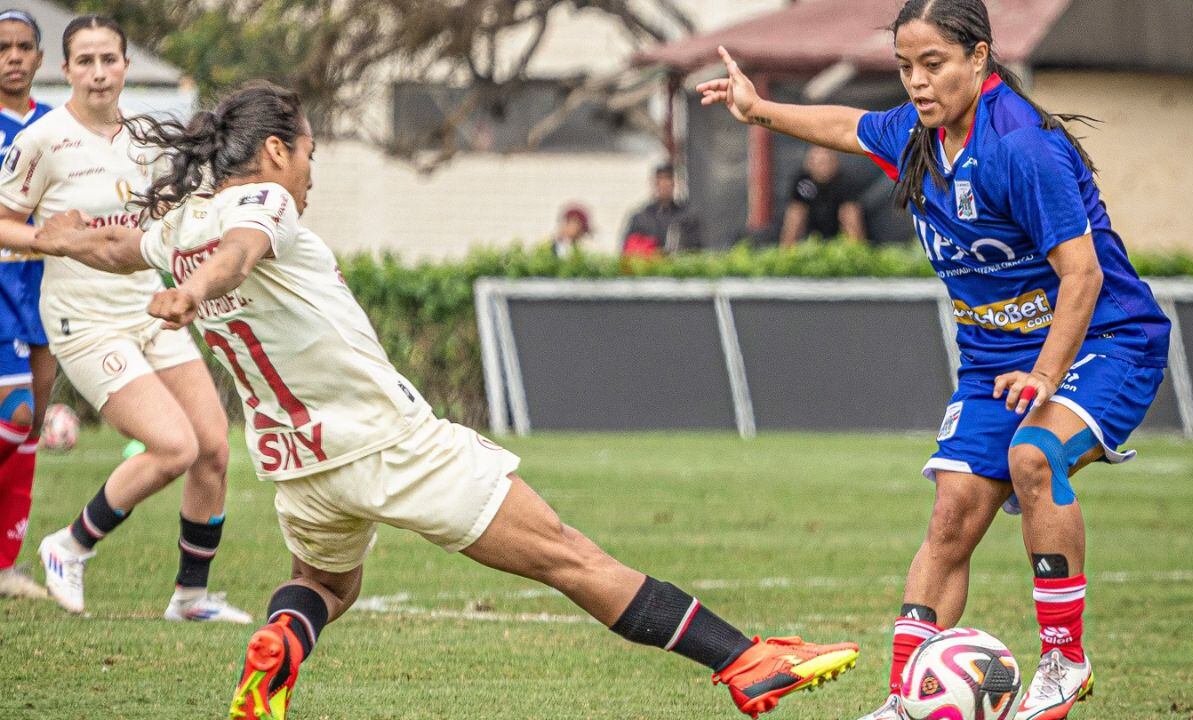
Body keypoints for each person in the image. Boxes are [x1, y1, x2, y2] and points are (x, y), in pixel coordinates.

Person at [34, 81, 860, 720]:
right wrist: (196, 292)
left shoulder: (180, 222)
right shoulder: (264, 202)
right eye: (311, 153)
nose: (312, 172)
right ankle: (745, 662)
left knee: (326, 585)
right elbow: (243, 252)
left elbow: (118, 245)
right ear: (279, 150)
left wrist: (60, 236)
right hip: (389, 444)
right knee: (571, 557)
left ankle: (281, 640)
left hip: (297, 465)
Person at [697, 0, 1171, 718]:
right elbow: (844, 128)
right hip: (994, 361)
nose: (916, 83)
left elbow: (1084, 276)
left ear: (979, 58)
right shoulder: (918, 133)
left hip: (1105, 341)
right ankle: (901, 698)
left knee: (1034, 456)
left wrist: (1045, 375)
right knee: (951, 512)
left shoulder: (1021, 146)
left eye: (933, 65)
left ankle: (1064, 663)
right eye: (904, 67)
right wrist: (758, 108)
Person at [0, 14, 248, 623]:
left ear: (126, 67)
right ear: (66, 71)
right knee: (173, 446)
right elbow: (4, 223)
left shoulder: (145, 136)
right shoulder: (42, 139)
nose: (98, 72)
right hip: (83, 322)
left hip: (148, 311)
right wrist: (49, 241)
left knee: (213, 448)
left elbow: (166, 220)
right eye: (84, 61)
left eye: (109, 59)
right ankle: (69, 546)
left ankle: (191, 597)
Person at [0, 8, 51, 601]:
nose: (13, 56)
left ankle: (6, 562)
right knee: (12, 413)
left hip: (45, 287)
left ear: (40, 58)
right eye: (3, 47)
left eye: (23, 47)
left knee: (33, 420)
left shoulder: (55, 124)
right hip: (0, 288)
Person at [779, 145, 865, 246]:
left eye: (826, 162)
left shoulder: (844, 181)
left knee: (850, 212)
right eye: (818, 163)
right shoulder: (803, 181)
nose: (822, 167)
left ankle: (857, 251)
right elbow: (795, 211)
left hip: (836, 229)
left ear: (834, 163)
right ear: (809, 164)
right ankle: (787, 254)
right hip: (810, 231)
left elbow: (851, 213)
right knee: (795, 213)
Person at [621, 163, 701, 255]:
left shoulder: (686, 217)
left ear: (674, 184)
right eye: (660, 180)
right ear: (654, 184)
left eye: (667, 180)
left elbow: (696, 251)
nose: (664, 185)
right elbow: (628, 251)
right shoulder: (641, 218)